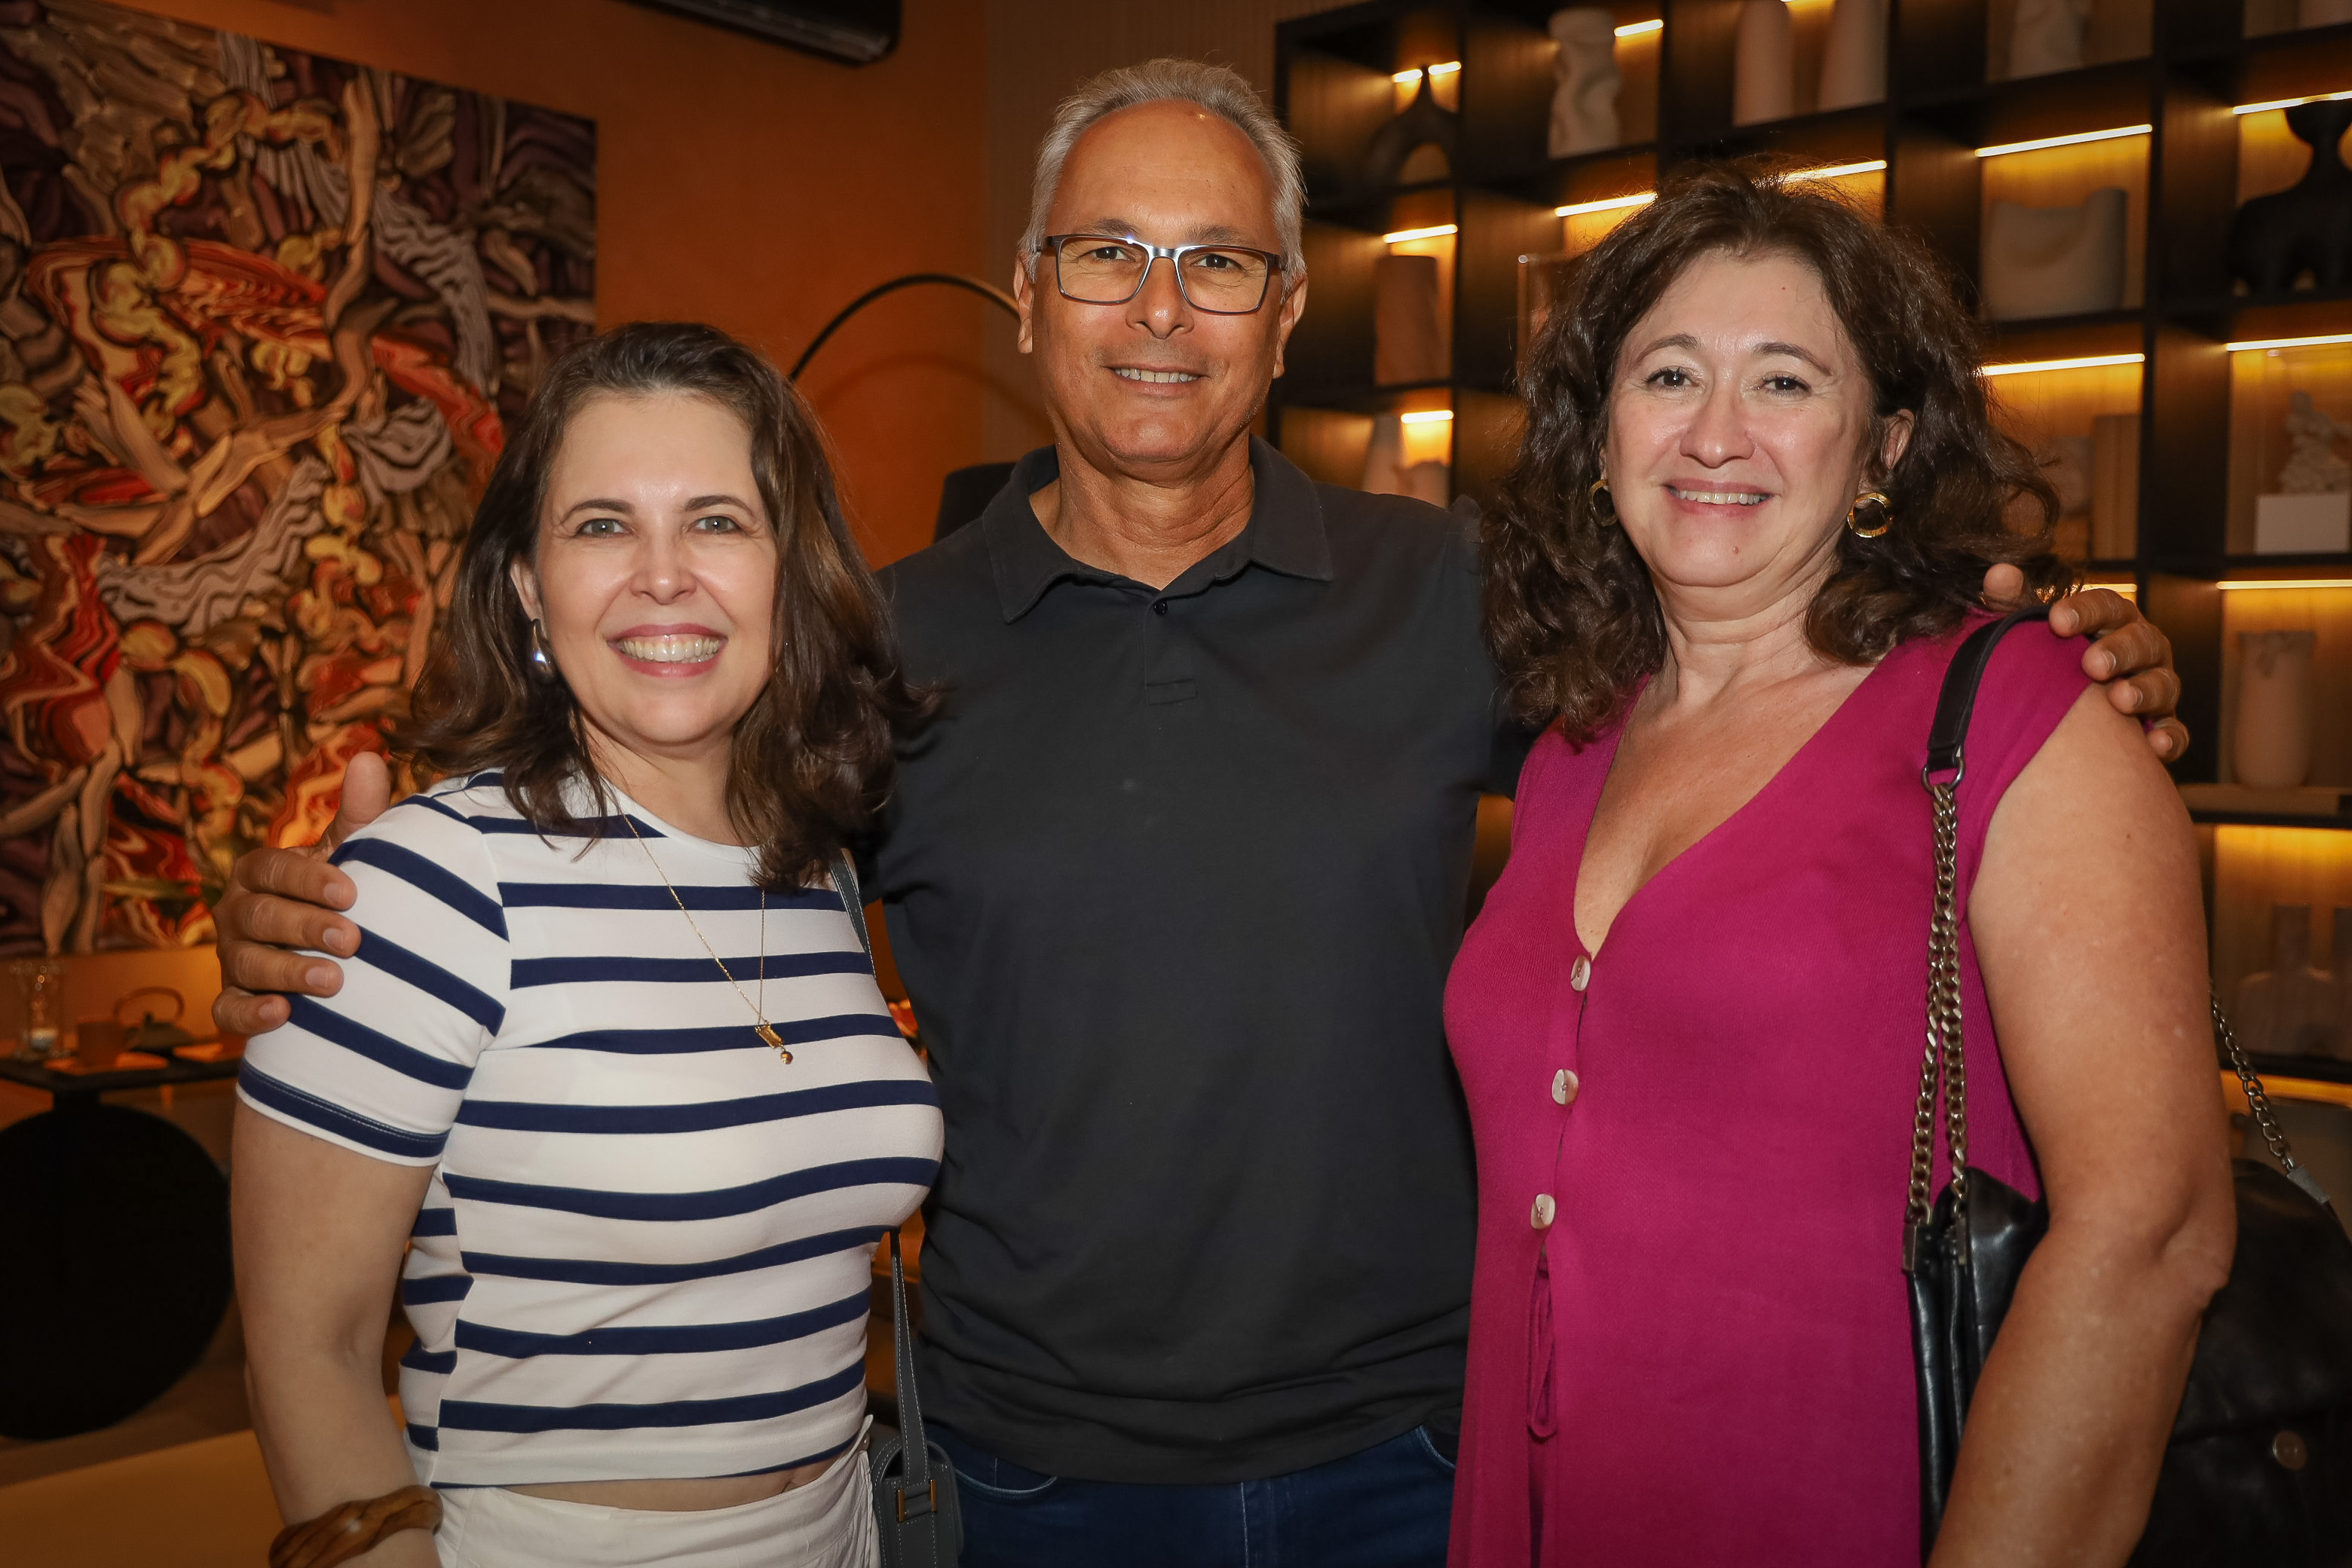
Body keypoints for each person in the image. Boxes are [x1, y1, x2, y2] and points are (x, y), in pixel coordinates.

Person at [212, 63, 2188, 1568]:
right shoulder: (875, 643)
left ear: (1287, 304)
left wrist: (2039, 660)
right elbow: (640, 831)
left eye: (1217, 262)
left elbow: (1758, 716)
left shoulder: (1471, 599)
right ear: (1028, 295)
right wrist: (328, 915)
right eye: (1109, 257)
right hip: (1025, 1467)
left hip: (1425, 1454)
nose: (1162, 311)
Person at [1446, 164, 2235, 1566]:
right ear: (1600, 431)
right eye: (1669, 373)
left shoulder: (2012, 711)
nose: (1715, 432)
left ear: (1886, 448)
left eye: (1789, 383)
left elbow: (2153, 1231)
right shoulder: (1573, 741)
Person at [231, 323, 941, 1568]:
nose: (663, 575)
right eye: (602, 524)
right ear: (528, 588)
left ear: (789, 569)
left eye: (719, 521)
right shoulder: (429, 882)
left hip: (841, 1531)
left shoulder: (819, 871)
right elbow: (309, 1348)